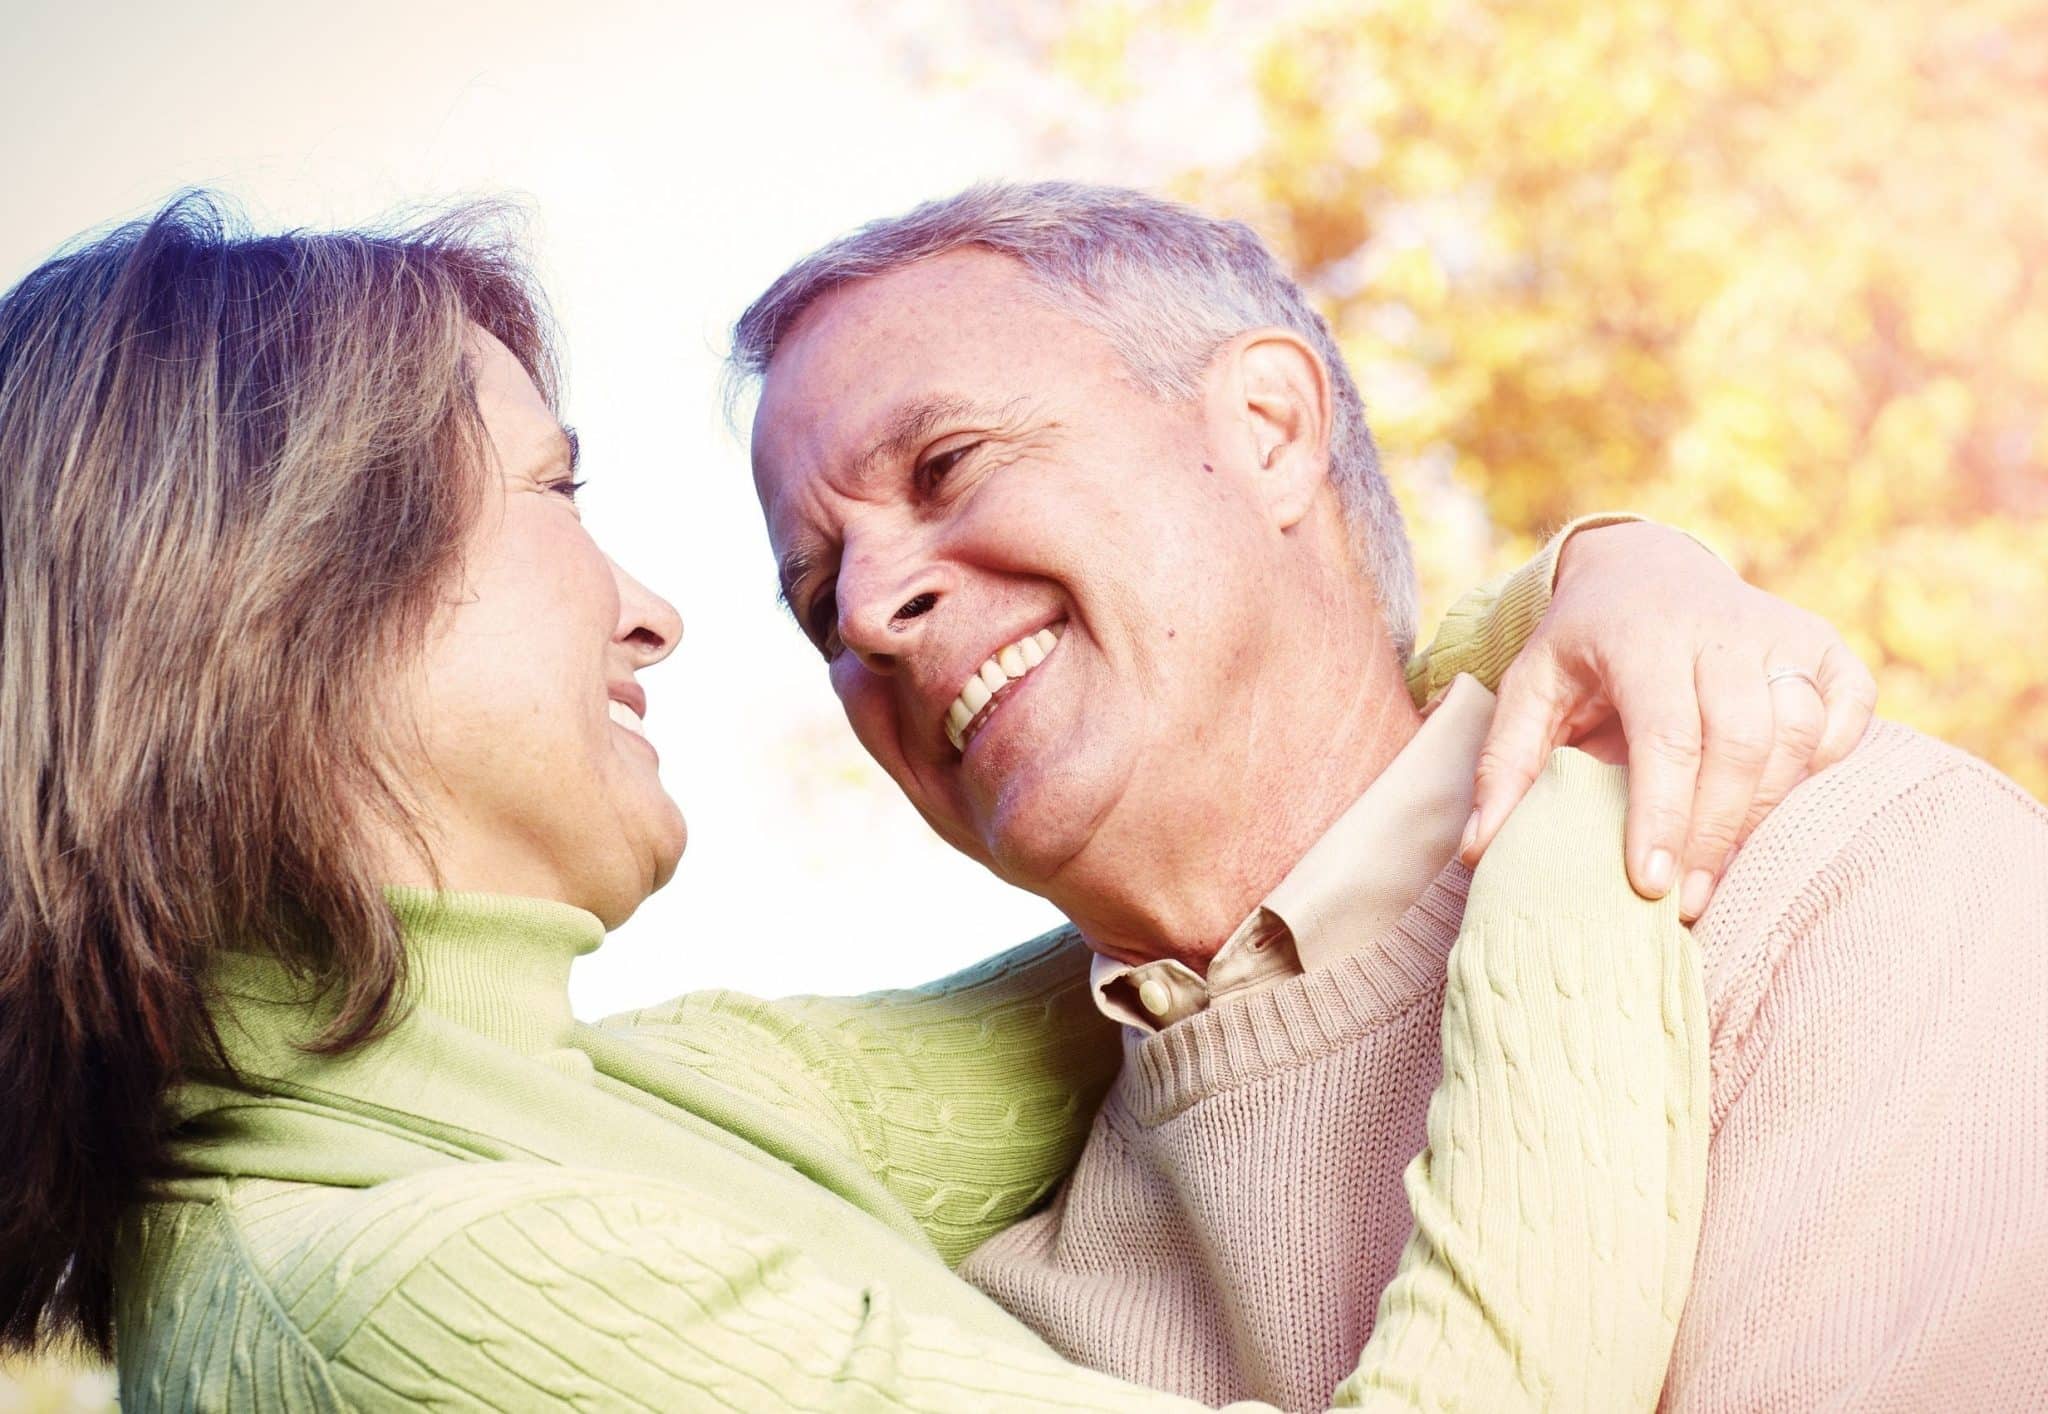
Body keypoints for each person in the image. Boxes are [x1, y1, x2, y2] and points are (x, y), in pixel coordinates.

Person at [1, 196, 1842, 1412]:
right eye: (554, 497)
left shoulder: (614, 1109)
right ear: (283, 616)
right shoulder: (422, 1296)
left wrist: (1597, 584)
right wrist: (1596, 793)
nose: (654, 605)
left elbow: (1261, 875)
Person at [734, 180, 2048, 1410]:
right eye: (815, 600)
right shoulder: (1006, 1323)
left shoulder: (1842, 882)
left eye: (949, 463)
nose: (867, 613)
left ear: (1267, 429)